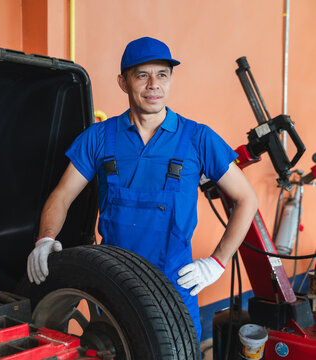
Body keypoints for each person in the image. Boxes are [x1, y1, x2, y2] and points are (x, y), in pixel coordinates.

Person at [26, 36, 258, 341]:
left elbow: (246, 199)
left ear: (171, 80)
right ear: (123, 82)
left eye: (162, 74)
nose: (153, 85)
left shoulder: (198, 138)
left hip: (176, 288)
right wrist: (45, 239)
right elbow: (62, 194)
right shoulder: (98, 138)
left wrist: (217, 261)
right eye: (142, 75)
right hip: (111, 284)